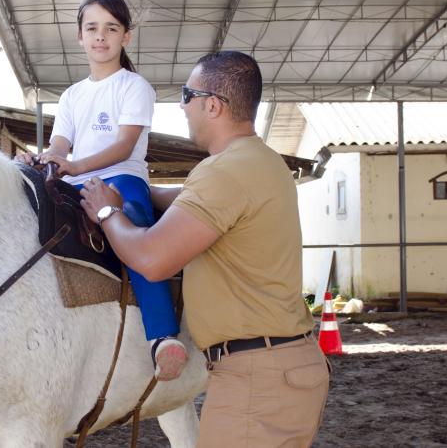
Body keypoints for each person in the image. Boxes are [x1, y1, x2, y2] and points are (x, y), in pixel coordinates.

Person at [79, 51, 330, 447]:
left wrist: (108, 210)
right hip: (282, 368)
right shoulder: (261, 162)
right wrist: (139, 194)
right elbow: (194, 200)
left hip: (255, 381)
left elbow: (151, 260)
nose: (181, 106)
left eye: (186, 95)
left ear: (212, 104)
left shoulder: (223, 172)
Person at [16, 0, 188, 381]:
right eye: (92, 28)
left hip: (121, 176)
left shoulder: (134, 86)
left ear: (125, 37)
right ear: (79, 36)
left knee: (137, 229)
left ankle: (162, 336)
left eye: (111, 28)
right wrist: (49, 158)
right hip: (75, 180)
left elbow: (124, 145)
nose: (100, 36)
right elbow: (60, 143)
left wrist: (75, 164)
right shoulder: (73, 95)